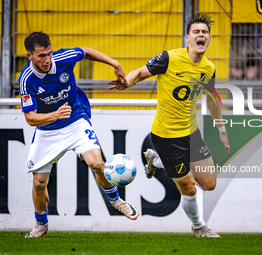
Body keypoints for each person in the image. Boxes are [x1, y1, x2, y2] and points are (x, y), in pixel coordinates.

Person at [108, 14, 230, 238]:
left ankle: (156, 160)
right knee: (189, 186)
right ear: (188, 38)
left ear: (209, 39)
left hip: (191, 133)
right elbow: (141, 72)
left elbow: (211, 100)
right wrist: (127, 83)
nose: (200, 35)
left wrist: (221, 129)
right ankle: (199, 226)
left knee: (209, 183)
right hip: (166, 137)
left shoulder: (209, 68)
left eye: (204, 32)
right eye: (196, 32)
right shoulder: (169, 58)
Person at [20, 32, 139, 238]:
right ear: (29, 56)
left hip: (75, 117)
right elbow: (30, 118)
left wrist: (114, 62)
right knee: (39, 183)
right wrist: (54, 115)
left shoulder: (62, 58)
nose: (47, 59)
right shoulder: (26, 80)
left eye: (49, 53)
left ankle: (115, 200)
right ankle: (41, 224)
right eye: (41, 56)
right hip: (48, 129)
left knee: (97, 163)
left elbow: (85, 52)